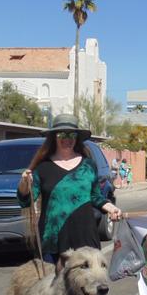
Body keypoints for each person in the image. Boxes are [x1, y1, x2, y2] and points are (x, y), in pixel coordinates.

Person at [17, 113, 122, 265]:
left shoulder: (88, 165)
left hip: (85, 236)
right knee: (53, 286)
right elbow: (25, 201)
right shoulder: (42, 168)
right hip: (53, 239)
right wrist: (24, 184)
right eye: (62, 134)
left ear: (77, 137)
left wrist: (112, 208)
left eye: (71, 134)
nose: (67, 139)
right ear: (54, 137)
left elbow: (95, 197)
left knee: (87, 286)